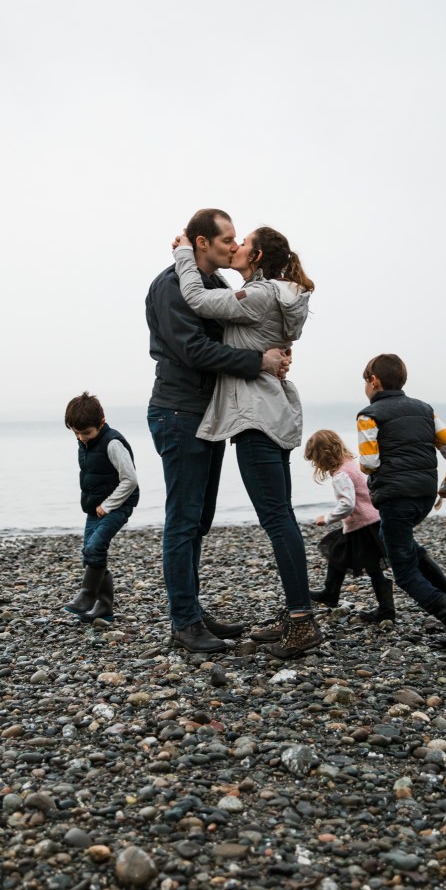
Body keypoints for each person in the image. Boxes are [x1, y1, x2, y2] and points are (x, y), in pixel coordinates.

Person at [173, 226, 323, 659]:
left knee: (277, 520)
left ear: (256, 257)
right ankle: (296, 615)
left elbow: (198, 299)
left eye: (243, 243)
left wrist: (184, 253)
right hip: (272, 414)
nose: (236, 247)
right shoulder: (275, 295)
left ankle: (301, 622)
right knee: (282, 517)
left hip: (257, 419)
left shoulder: (258, 295)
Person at [146, 208, 289, 654]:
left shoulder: (214, 284)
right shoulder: (171, 286)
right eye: (227, 239)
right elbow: (194, 349)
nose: (234, 246)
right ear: (202, 243)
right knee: (183, 519)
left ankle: (191, 610)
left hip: (207, 413)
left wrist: (273, 352)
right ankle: (184, 623)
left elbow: (238, 328)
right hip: (179, 412)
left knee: (198, 520)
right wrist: (258, 362)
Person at [356, 353, 446, 648]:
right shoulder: (424, 409)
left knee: (404, 572)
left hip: (395, 498)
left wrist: (368, 466)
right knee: (391, 536)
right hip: (424, 495)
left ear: (374, 381)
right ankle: (443, 582)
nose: (365, 387)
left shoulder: (369, 415)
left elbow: (368, 463)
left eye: (365, 381)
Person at [63, 392, 139, 623]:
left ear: (102, 422)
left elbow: (130, 480)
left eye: (86, 433)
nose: (81, 438)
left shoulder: (113, 443)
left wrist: (108, 505)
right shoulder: (84, 442)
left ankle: (87, 594)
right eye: (76, 433)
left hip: (118, 505)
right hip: (95, 507)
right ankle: (104, 606)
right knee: (89, 554)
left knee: (96, 547)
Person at [304, 429, 393, 618]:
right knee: (339, 553)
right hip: (372, 520)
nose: (316, 465)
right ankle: (331, 593)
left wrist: (327, 518)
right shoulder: (351, 464)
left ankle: (385, 609)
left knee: (369, 565)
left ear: (324, 454)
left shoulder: (340, 475)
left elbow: (347, 504)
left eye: (315, 460)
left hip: (363, 526)